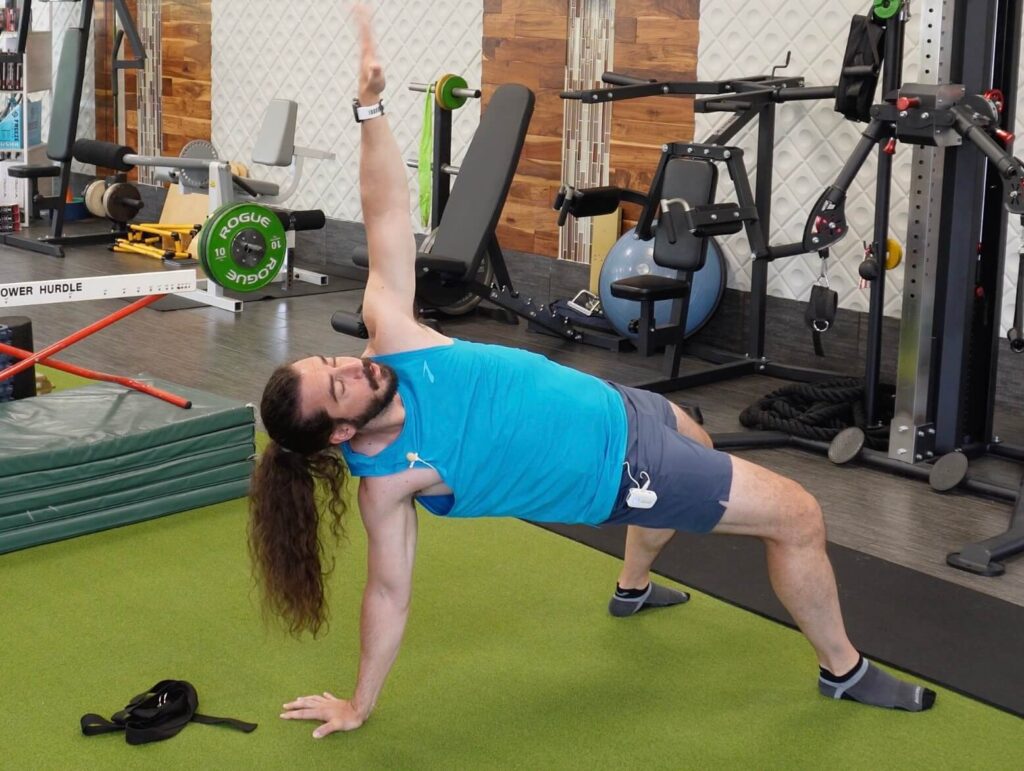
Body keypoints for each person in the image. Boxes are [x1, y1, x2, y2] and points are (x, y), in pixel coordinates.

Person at [249, 5, 935, 740]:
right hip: (619, 473)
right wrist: (359, 701)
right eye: (337, 386)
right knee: (798, 515)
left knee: (700, 448)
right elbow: (388, 594)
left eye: (331, 361)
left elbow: (385, 213)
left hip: (615, 404)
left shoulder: (393, 340)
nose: (350, 368)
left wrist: (371, 108)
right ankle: (844, 669)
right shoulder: (389, 484)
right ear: (342, 431)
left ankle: (632, 588)